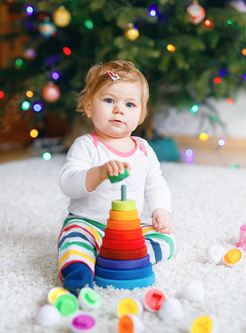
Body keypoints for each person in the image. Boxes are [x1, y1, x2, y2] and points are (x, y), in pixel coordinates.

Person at [58, 60, 176, 295]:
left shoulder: (143, 149)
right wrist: (99, 173)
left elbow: (156, 185)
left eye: (130, 104)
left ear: (141, 115)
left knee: (168, 241)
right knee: (74, 243)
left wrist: (161, 211)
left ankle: (124, 258)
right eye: (109, 100)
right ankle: (79, 275)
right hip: (89, 223)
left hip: (127, 228)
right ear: (89, 106)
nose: (119, 109)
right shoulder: (86, 146)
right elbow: (68, 184)